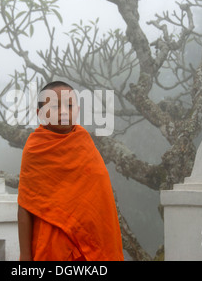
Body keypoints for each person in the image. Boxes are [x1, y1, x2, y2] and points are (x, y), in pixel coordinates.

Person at [17, 81, 124, 261]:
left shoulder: (84, 144)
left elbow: (101, 203)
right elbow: (25, 205)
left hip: (88, 249)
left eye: (69, 105)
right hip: (50, 248)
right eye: (54, 106)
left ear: (78, 109)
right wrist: (25, 255)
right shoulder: (35, 149)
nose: (64, 111)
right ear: (40, 113)